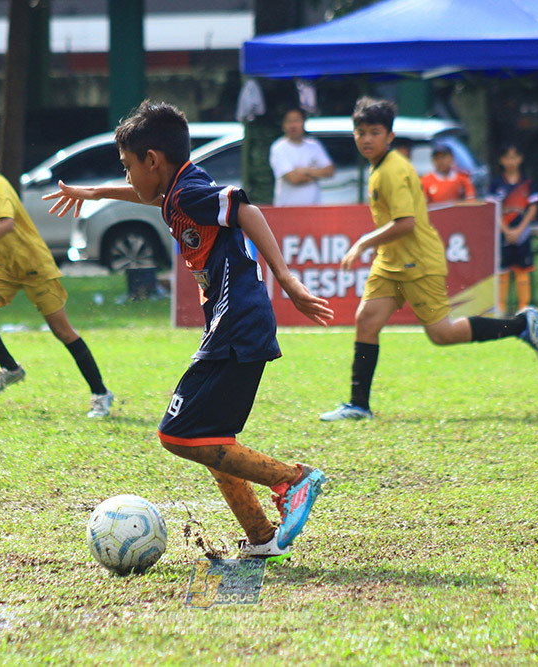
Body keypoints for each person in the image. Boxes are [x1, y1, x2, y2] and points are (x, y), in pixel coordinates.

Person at [45, 101, 333, 561]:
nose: (127, 177)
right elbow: (148, 195)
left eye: (127, 167)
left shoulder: (186, 193)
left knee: (177, 434)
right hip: (234, 320)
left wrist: (288, 280)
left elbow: (246, 211)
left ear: (152, 161)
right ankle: (260, 536)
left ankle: (294, 479)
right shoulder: (177, 187)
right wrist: (96, 193)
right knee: (210, 436)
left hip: (236, 319)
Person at [318, 98, 538, 422]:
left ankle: (521, 324)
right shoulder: (380, 167)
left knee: (442, 334)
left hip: (416, 260)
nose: (366, 138)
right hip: (392, 259)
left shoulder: (392, 171)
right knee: (367, 320)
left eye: (374, 132)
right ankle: (358, 405)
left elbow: (406, 223)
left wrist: (362, 242)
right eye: (360, 132)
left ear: (390, 136)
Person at [0, 129, 114, 417]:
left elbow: (5, 224)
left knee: (62, 331)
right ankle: (10, 369)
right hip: (4, 266)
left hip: (33, 265)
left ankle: (101, 393)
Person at [489, 144, 538, 316]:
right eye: (507, 158)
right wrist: (505, 230)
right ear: (501, 160)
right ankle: (500, 307)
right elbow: (493, 208)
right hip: (502, 233)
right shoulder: (496, 183)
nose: (511, 161)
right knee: (502, 270)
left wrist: (519, 229)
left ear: (520, 159)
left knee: (522, 269)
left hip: (522, 232)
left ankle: (524, 308)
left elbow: (533, 207)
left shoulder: (528, 183)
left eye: (514, 157)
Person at [268, 107, 334, 206]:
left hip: (314, 208)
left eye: (297, 120)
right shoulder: (279, 148)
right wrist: (317, 174)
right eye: (289, 121)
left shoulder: (314, 145)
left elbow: (329, 171)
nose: (293, 125)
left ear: (303, 123)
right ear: (283, 125)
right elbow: (294, 179)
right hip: (287, 209)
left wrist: (305, 170)